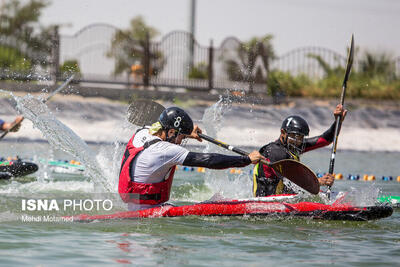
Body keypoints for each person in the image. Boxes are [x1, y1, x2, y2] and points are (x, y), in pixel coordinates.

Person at [119, 106, 264, 211]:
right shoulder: (165, 151)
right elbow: (208, 160)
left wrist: (187, 132)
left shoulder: (143, 133)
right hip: (149, 211)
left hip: (133, 206)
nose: (181, 141)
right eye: (181, 137)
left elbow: (158, 128)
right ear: (171, 132)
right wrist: (246, 160)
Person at [253, 104, 347, 197]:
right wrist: (317, 182)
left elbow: (324, 140)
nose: (298, 141)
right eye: (295, 137)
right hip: (266, 202)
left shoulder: (293, 146)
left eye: (301, 137)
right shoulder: (275, 152)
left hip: (284, 199)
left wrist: (338, 121)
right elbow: (291, 180)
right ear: (283, 133)